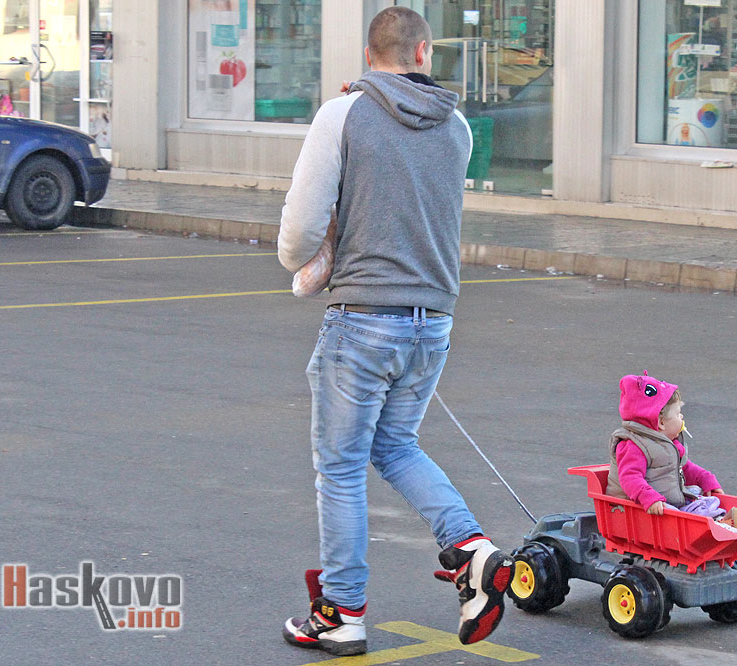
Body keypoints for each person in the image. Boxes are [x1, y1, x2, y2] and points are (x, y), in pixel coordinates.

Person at [276, 7, 512, 657]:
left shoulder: (343, 115)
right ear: (424, 52)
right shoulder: (456, 126)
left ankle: (341, 612)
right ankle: (471, 549)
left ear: (367, 54)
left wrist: (299, 263)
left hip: (362, 318)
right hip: (432, 318)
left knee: (341, 468)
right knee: (396, 445)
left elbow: (301, 226)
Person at [605, 373, 737, 530]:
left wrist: (705, 479)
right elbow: (630, 477)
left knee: (701, 497)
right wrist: (649, 498)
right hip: (640, 508)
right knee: (675, 514)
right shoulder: (633, 445)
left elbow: (684, 467)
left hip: (670, 498)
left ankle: (718, 520)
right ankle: (716, 526)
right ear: (661, 423)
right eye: (678, 414)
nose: (682, 417)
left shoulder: (669, 444)